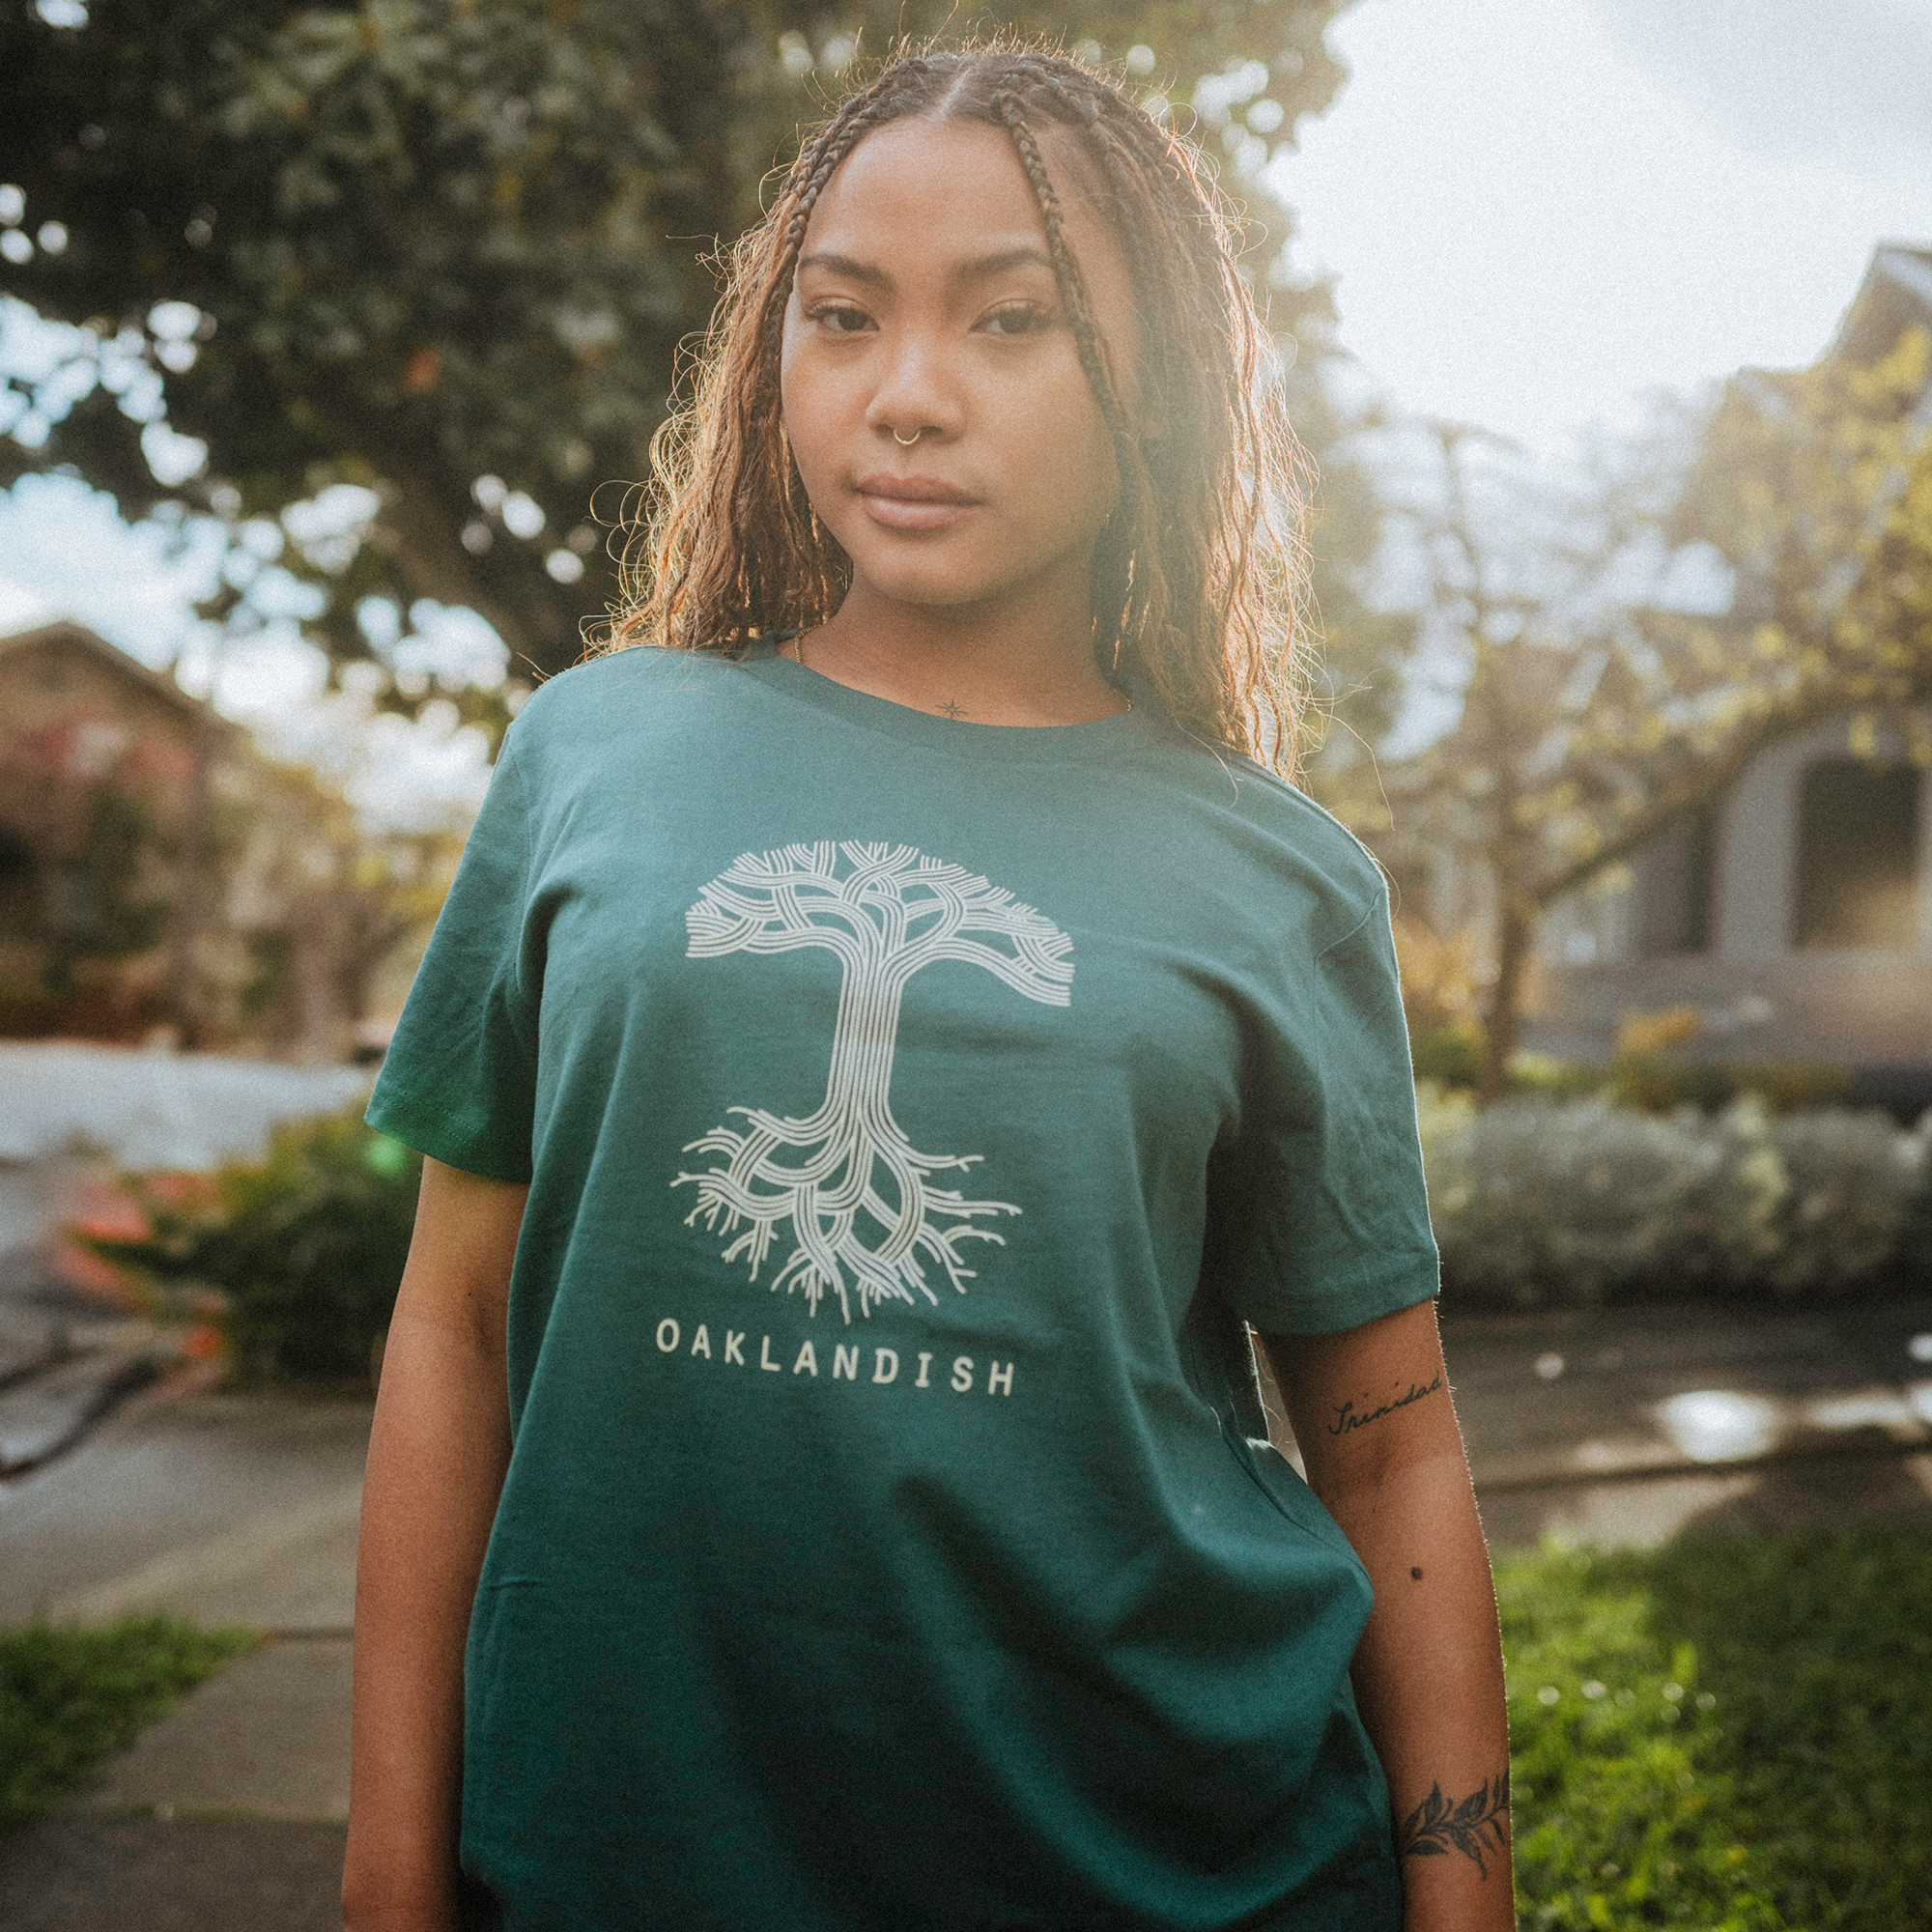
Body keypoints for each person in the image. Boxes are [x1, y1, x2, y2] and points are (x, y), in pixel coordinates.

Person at [342, 43, 1511, 1932]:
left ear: (1159, 390)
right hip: (622, 1860)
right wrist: (387, 1874)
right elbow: (449, 1330)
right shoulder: (594, 748)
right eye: (843, 316)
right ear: (771, 355)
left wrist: (1467, 1908)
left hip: (1171, 1860)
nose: (906, 395)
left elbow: (1385, 1450)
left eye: (1013, 319)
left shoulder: (1278, 874)